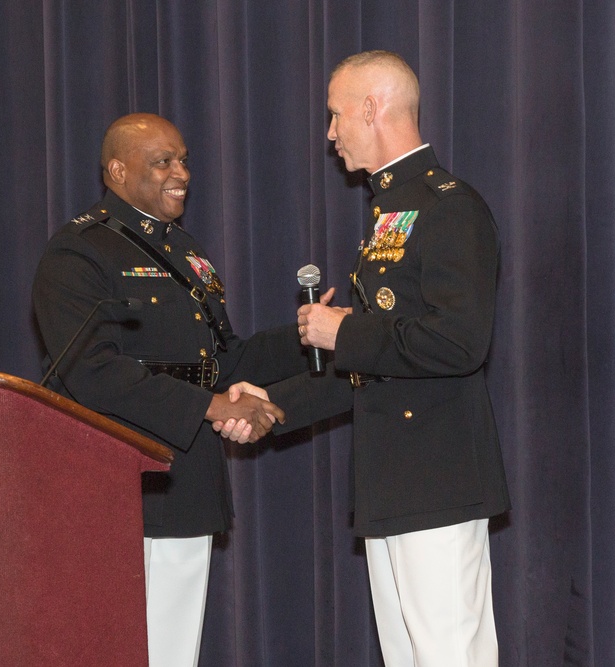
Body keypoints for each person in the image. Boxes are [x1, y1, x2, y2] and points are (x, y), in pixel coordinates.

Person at [220, 51, 510, 666]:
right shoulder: (388, 213)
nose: (330, 134)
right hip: (391, 476)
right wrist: (271, 406)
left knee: (449, 653)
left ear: (373, 109)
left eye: (335, 116)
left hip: (438, 472)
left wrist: (340, 331)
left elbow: (459, 343)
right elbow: (367, 369)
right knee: (408, 656)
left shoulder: (449, 208)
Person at [31, 113, 311, 667]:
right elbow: (94, 372)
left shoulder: (184, 252)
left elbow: (222, 360)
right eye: (163, 161)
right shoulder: (78, 254)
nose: (181, 172)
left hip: (187, 480)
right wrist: (213, 407)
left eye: (183, 159)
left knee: (173, 652)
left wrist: (310, 334)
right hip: (115, 481)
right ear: (117, 170)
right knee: (116, 650)